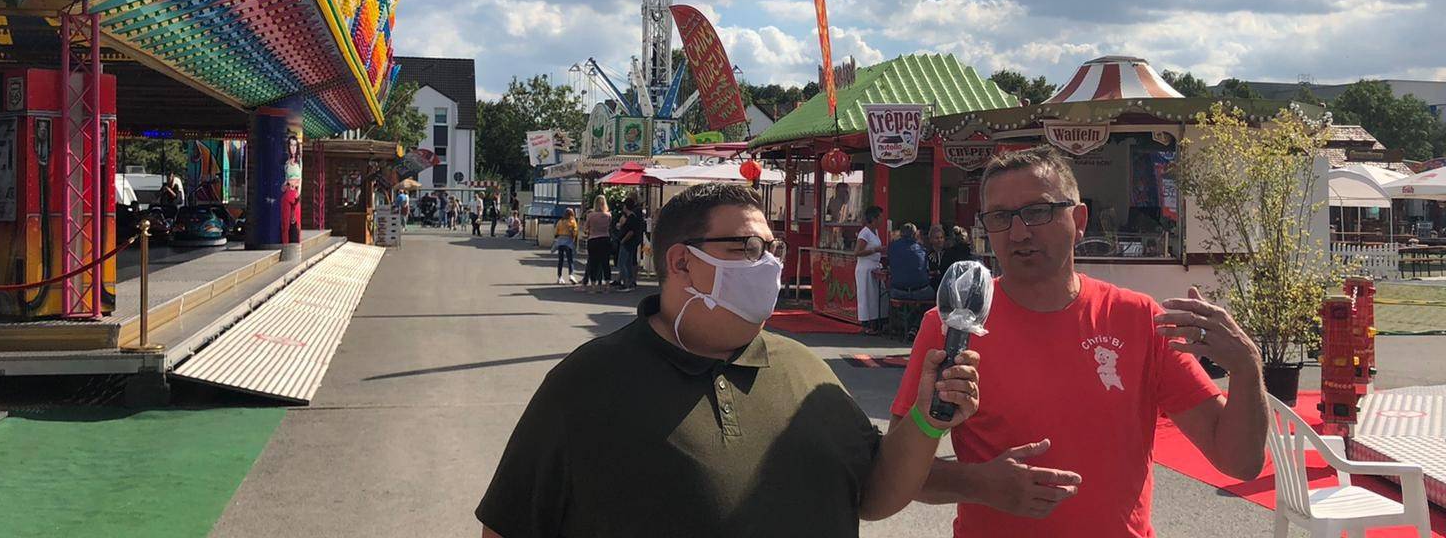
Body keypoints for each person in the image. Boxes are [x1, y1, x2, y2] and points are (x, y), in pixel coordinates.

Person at [477, 183, 982, 537]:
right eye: (749, 247)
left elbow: (874, 494)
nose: (771, 264)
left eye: (772, 247)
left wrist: (925, 419)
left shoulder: (806, 369)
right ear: (681, 262)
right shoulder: (586, 384)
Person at [889, 146, 1267, 538]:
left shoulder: (1139, 319)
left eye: (1038, 211)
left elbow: (1239, 461)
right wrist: (978, 484)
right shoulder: (953, 325)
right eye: (1000, 217)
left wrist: (1246, 366)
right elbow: (892, 473)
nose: (1019, 233)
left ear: (1080, 220)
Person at [854, 205, 888, 335]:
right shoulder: (865, 233)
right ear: (874, 219)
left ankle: (876, 322)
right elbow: (857, 252)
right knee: (866, 296)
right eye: (880, 218)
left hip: (874, 266)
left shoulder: (875, 232)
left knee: (875, 296)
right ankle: (866, 323)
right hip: (865, 268)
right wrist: (875, 250)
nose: (882, 220)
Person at [582, 196, 612, 293]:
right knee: (605, 263)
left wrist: (589, 231)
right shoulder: (608, 215)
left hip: (593, 239)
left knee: (593, 263)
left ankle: (594, 286)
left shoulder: (591, 215)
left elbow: (585, 228)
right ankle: (607, 285)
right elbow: (609, 227)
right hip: (605, 239)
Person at [615, 197, 646, 290]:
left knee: (622, 263)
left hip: (627, 242)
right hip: (630, 242)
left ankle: (626, 283)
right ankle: (630, 282)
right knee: (628, 263)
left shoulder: (631, 217)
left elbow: (631, 231)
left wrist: (623, 240)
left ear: (625, 206)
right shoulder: (630, 217)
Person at [554, 208, 579, 284]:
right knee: (570, 260)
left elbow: (556, 232)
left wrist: (557, 236)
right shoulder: (572, 221)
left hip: (561, 241)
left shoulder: (560, 221)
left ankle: (559, 277)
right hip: (568, 242)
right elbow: (575, 232)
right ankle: (571, 275)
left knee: (560, 260)